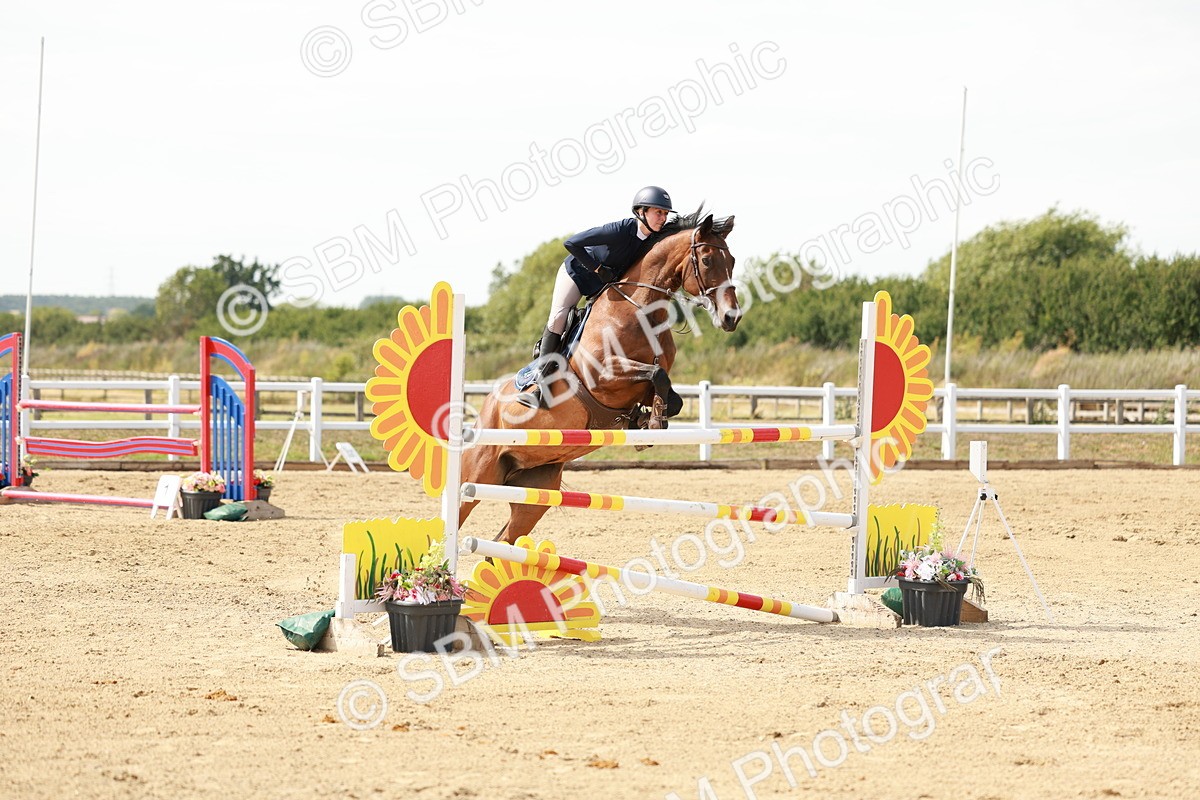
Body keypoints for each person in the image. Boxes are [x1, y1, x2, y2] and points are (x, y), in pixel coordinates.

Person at [515, 186, 674, 409]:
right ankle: (540, 385)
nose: (663, 218)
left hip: (603, 284)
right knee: (559, 318)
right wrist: (597, 268)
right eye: (659, 212)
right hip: (577, 274)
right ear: (641, 211)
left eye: (666, 214)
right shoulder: (619, 230)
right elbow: (572, 243)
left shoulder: (652, 240)